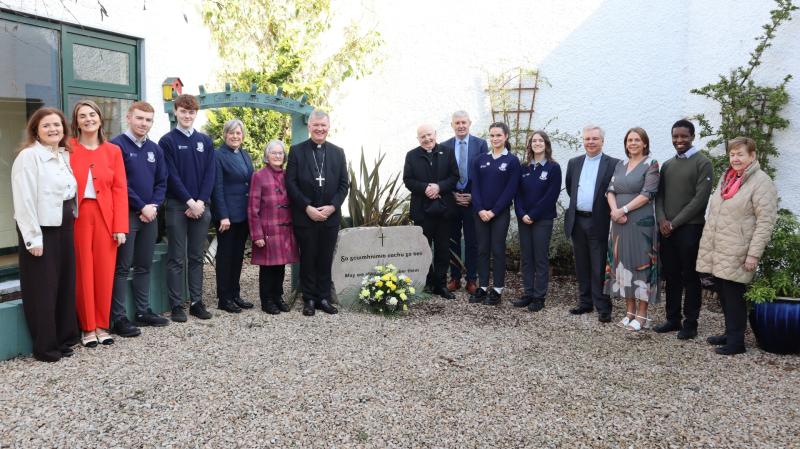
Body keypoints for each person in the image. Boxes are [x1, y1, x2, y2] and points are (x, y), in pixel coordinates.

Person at [696, 137, 777, 355]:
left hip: (738, 250)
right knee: (723, 293)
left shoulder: (761, 182)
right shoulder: (729, 177)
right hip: (719, 247)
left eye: (740, 154)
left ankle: (736, 342)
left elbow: (765, 222)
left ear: (752, 156)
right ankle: (729, 333)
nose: (735, 158)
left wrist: (753, 254)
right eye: (732, 154)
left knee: (734, 296)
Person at [11, 108, 80, 361]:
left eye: (57, 125)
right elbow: (24, 200)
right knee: (43, 289)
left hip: (63, 225)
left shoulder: (62, 154)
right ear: (36, 131)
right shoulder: (29, 156)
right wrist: (33, 238)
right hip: (41, 228)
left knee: (63, 284)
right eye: (46, 126)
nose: (53, 129)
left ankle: (63, 339)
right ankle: (45, 346)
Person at [69, 100, 129, 347]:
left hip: (106, 217)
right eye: (82, 116)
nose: (88, 119)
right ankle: (87, 327)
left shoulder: (113, 151)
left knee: (104, 272)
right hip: (79, 216)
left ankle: (102, 325)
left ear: (100, 118)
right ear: (76, 122)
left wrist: (120, 226)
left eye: (92, 114)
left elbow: (120, 189)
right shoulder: (68, 149)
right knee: (83, 271)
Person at [109, 101, 170, 338]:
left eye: (148, 120)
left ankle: (143, 311)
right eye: (139, 118)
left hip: (150, 216)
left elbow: (162, 182)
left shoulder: (155, 149)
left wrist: (153, 206)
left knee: (144, 265)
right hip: (126, 216)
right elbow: (119, 184)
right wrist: (141, 206)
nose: (144, 123)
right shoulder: (116, 146)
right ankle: (119, 317)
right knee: (122, 267)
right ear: (128, 118)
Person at [653, 120, 714, 339]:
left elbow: (700, 200)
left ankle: (690, 323)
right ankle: (672, 319)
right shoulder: (668, 165)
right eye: (675, 136)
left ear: (692, 137)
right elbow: (659, 196)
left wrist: (674, 223)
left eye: (683, 136)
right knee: (671, 275)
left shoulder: (703, 163)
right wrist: (662, 220)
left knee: (690, 276)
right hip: (667, 230)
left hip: (690, 229)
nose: (679, 140)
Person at [286, 109, 349, 317]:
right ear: (309, 126)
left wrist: (332, 207)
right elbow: (291, 183)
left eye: (323, 125)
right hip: (306, 216)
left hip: (330, 217)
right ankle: (309, 299)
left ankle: (323, 297)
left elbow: (344, 184)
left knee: (325, 258)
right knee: (308, 258)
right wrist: (307, 207)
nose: (319, 129)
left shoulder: (338, 152)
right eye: (316, 125)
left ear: (328, 127)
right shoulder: (297, 151)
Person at [159, 94, 215, 322]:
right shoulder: (167, 141)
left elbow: (210, 174)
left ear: (196, 114)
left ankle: (196, 302)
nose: (187, 116)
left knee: (196, 256)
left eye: (191, 112)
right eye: (183, 111)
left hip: (201, 206)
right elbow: (171, 175)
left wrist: (200, 201)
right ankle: (176, 305)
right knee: (176, 257)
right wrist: (189, 201)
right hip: (177, 206)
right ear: (176, 112)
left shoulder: (205, 141)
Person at [603, 127, 660, 331]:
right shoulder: (620, 165)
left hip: (640, 223)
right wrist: (615, 211)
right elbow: (610, 190)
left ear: (644, 143)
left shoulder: (651, 164)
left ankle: (642, 314)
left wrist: (624, 209)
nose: (633, 143)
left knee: (640, 265)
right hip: (619, 223)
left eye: (637, 140)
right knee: (623, 264)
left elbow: (648, 193)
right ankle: (629, 311)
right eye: (629, 140)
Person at [564, 125, 619, 323]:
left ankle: (603, 307)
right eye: (587, 138)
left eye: (595, 138)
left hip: (599, 221)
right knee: (581, 264)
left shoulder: (613, 164)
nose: (590, 142)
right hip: (577, 220)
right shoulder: (574, 163)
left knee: (599, 266)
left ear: (602, 141)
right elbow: (570, 188)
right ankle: (585, 302)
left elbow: (615, 191)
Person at [403, 124, 460, 299]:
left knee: (443, 249)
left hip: (444, 210)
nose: (427, 139)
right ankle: (427, 282)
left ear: (435, 134)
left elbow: (454, 176)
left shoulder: (447, 152)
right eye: (423, 136)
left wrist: (439, 187)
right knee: (424, 248)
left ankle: (441, 285)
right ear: (418, 139)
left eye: (429, 134)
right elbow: (408, 180)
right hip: (422, 211)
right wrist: (425, 188)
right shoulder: (411, 155)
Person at [469, 122, 521, 305]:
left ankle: (497, 289)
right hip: (480, 213)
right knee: (482, 249)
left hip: (499, 214)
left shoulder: (512, 161)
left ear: (506, 136)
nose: (495, 138)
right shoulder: (480, 160)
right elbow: (475, 187)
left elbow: (510, 190)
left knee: (498, 250)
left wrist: (493, 211)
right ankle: (483, 287)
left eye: (498, 135)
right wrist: (480, 209)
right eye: (492, 135)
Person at [512, 131, 562, 312]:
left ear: (546, 144)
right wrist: (521, 213)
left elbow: (551, 196)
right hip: (524, 219)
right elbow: (517, 193)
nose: (537, 143)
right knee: (526, 258)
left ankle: (539, 297)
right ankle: (528, 293)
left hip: (542, 219)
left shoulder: (553, 168)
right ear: (530, 145)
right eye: (534, 140)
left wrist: (533, 214)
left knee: (540, 258)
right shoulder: (524, 167)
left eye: (541, 140)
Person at [440, 111, 488, 294]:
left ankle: (471, 279)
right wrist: (451, 194)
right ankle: (454, 278)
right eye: (457, 123)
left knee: (472, 240)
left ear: (470, 123)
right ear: (452, 125)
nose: (461, 126)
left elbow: (484, 174)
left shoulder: (480, 144)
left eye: (464, 122)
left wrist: (473, 196)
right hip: (451, 199)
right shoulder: (444, 146)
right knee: (452, 240)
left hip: (472, 200)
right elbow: (442, 174)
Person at [249, 140, 299, 314]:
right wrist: (257, 235)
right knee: (267, 268)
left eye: (280, 153)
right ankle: (267, 300)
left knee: (280, 266)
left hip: (285, 230)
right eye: (274, 153)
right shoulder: (259, 176)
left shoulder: (287, 175)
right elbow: (252, 209)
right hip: (267, 230)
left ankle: (278, 297)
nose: (277, 156)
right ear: (267, 155)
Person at [211, 119, 255, 313]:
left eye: (238, 133)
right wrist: (223, 215)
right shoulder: (217, 155)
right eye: (232, 133)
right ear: (225, 135)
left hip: (243, 215)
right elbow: (217, 187)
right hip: (227, 217)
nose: (235, 136)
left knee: (237, 257)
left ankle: (235, 294)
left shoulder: (244, 154)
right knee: (225, 257)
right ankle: (224, 298)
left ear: (242, 136)